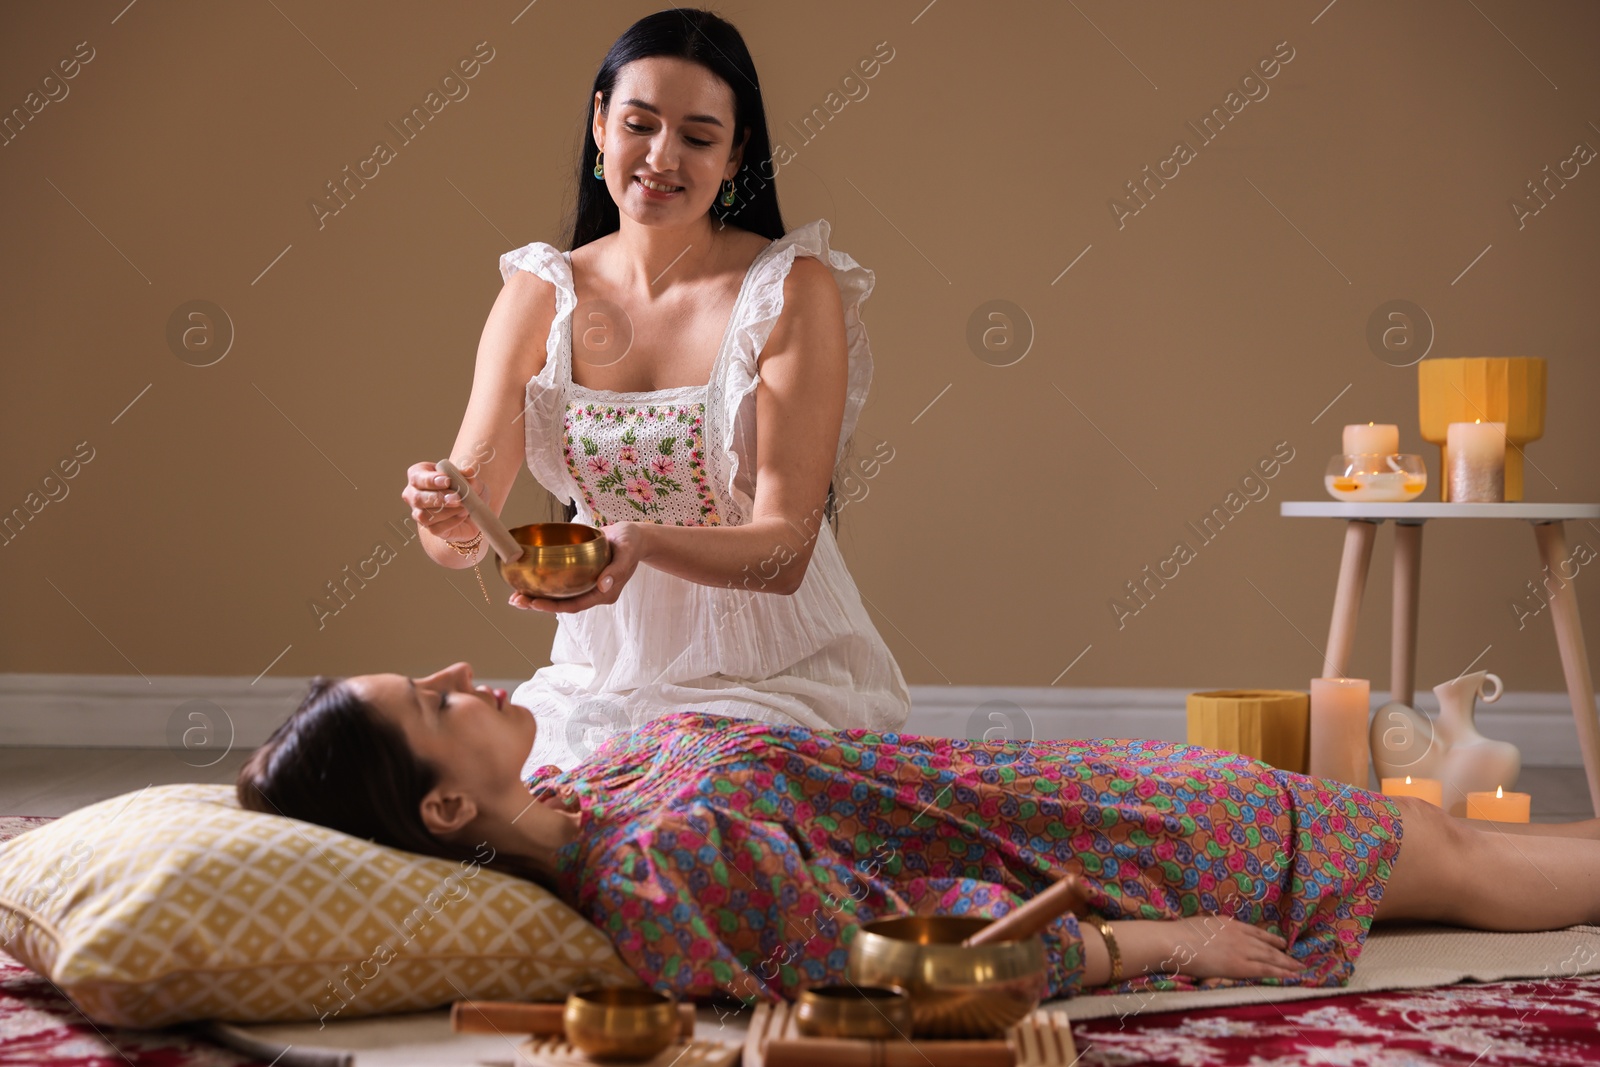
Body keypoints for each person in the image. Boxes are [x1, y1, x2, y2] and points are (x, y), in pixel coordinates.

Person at [237, 661, 1600, 1004]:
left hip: (1086, 793)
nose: (462, 672)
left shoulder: (596, 793)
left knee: (1430, 829)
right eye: (431, 699)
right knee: (1457, 862)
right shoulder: (653, 869)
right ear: (444, 806)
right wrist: (1151, 941)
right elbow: (895, 973)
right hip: (1128, 852)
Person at [401, 8, 909, 773]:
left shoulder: (788, 289)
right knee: (515, 808)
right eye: (639, 123)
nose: (661, 156)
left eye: (699, 137)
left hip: (774, 676)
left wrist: (639, 540)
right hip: (601, 675)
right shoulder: (541, 294)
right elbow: (462, 539)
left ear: (736, 155)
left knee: (695, 801)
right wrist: (446, 511)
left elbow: (786, 552)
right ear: (600, 124)